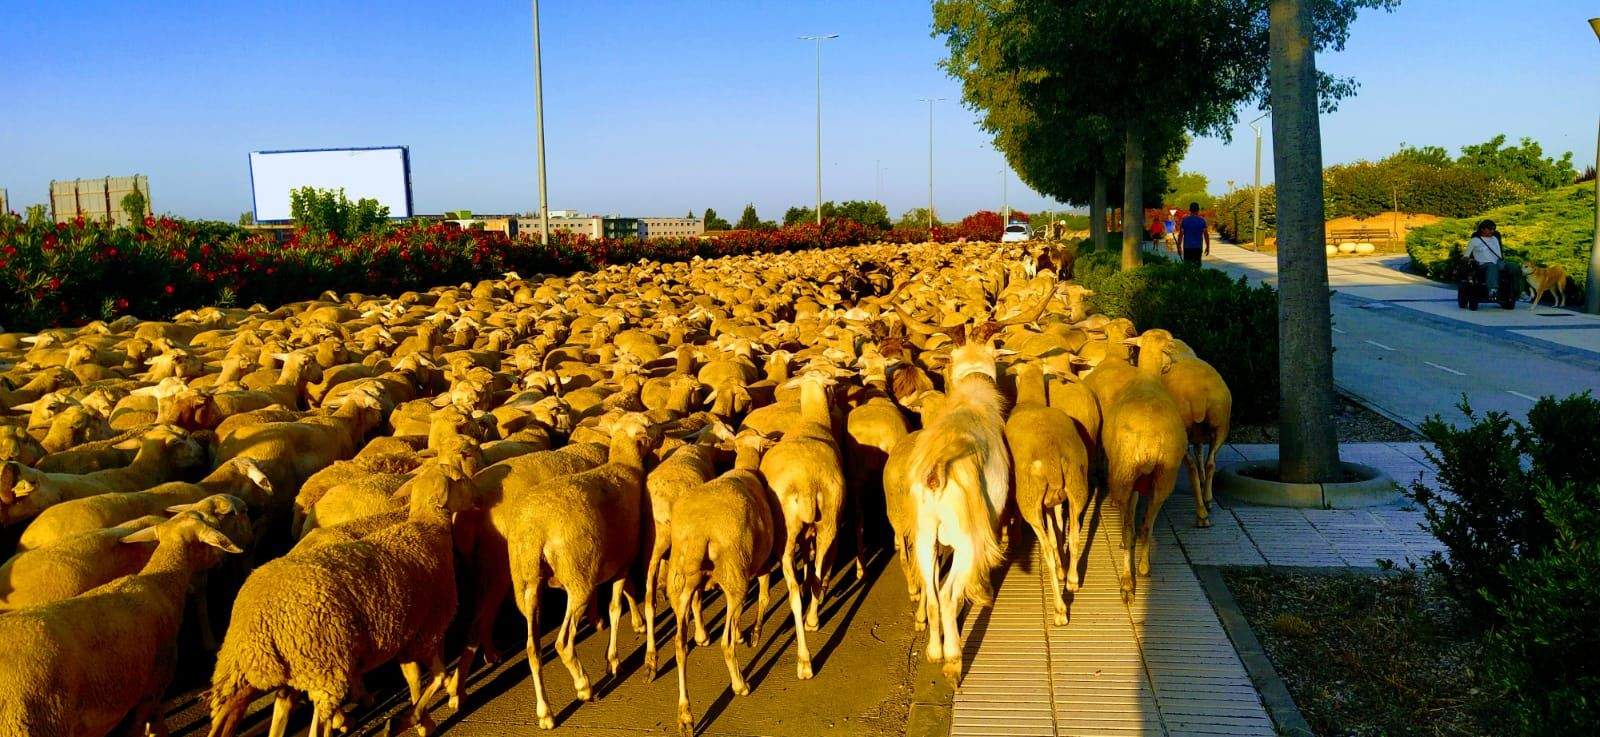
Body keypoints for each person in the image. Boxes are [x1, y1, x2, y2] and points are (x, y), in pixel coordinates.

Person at [1466, 219, 1505, 294]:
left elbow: (1499, 253)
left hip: (1498, 262)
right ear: (1482, 229)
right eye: (1490, 229)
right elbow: (1467, 255)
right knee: (1492, 265)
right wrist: (1468, 260)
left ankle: (1518, 292)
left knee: (1515, 268)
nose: (1492, 231)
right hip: (1483, 264)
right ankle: (1493, 289)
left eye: (1494, 229)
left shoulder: (1495, 238)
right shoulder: (1474, 240)